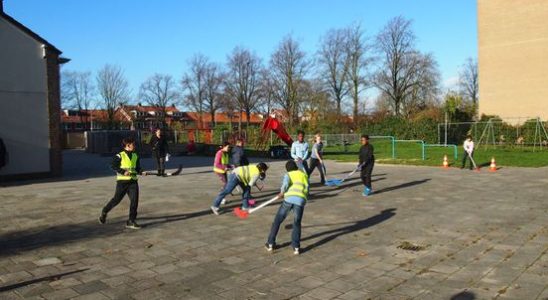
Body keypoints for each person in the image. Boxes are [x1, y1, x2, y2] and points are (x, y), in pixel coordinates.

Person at [99, 137, 147, 229]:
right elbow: (112, 165)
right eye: (133, 144)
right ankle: (105, 211)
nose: (134, 145)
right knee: (116, 200)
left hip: (133, 181)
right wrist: (123, 171)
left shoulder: (135, 155)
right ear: (128, 145)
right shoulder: (120, 155)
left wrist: (141, 171)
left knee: (134, 201)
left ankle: (131, 221)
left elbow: (137, 168)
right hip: (122, 182)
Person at [265, 160, 309, 255]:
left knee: (277, 221)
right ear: (296, 167)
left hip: (288, 199)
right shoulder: (303, 175)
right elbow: (307, 187)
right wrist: (304, 199)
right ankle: (296, 247)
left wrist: (282, 192)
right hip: (300, 200)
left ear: (287, 169)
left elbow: (285, 184)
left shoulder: (288, 174)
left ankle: (270, 244)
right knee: (297, 223)